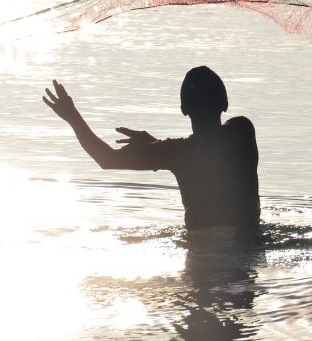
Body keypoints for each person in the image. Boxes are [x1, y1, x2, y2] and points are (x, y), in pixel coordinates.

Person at [43, 66, 260, 239]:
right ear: (224, 103)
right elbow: (209, 158)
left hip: (204, 249)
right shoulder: (242, 131)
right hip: (249, 242)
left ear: (184, 109)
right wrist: (157, 146)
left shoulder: (177, 153)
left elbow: (106, 159)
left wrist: (73, 117)